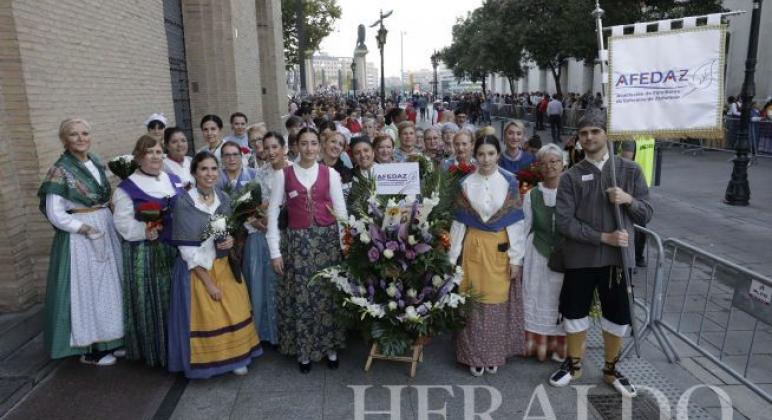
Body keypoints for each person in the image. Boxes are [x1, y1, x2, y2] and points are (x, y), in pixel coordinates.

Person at [548, 110, 653, 398]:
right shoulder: (571, 176)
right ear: (579, 140)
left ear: (607, 133)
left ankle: (611, 368)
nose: (589, 137)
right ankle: (574, 364)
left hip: (617, 261)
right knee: (573, 312)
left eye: (595, 131)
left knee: (617, 316)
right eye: (584, 134)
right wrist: (603, 237)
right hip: (581, 258)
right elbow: (565, 222)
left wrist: (628, 200)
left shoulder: (629, 171)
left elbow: (647, 214)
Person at [167, 151, 262, 378]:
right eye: (203, 169)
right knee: (209, 314)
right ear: (194, 173)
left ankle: (237, 357)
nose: (209, 174)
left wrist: (228, 241)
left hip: (222, 264)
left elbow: (221, 235)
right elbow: (187, 251)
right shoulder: (184, 203)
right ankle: (209, 361)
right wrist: (209, 284)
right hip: (198, 271)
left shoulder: (223, 198)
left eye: (213, 169)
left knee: (235, 309)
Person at [38, 118, 124, 366]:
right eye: (73, 134)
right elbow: (55, 212)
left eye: (85, 133)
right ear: (64, 139)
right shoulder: (60, 170)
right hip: (80, 238)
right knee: (88, 289)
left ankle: (113, 339)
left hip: (104, 227)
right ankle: (91, 349)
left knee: (110, 285)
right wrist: (83, 228)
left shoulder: (96, 161)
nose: (80, 138)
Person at [266, 127, 348, 373]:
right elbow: (272, 213)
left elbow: (341, 211)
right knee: (302, 298)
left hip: (327, 243)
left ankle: (330, 348)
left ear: (319, 146)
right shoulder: (284, 175)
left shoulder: (330, 173)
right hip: (297, 245)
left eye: (314, 143)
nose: (309, 148)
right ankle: (304, 352)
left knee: (326, 296)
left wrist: (345, 245)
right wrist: (275, 251)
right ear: (296, 146)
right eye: (304, 143)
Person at [449, 135, 526, 376]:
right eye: (481, 154)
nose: (486, 159)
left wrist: (516, 259)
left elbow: (516, 224)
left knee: (496, 303)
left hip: (499, 247)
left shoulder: (510, 182)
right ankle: (473, 355)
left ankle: (493, 354)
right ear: (475, 154)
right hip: (473, 245)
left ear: (498, 155)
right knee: (472, 301)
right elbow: (459, 224)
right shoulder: (465, 184)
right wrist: (452, 259)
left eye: (491, 154)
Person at [113, 135, 185, 367]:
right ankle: (159, 354)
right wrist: (145, 230)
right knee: (155, 304)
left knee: (177, 301)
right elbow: (123, 225)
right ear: (139, 157)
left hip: (174, 251)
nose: (155, 156)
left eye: (158, 152)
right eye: (149, 152)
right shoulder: (126, 188)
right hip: (146, 254)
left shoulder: (173, 179)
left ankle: (180, 350)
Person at [522, 144, 567, 362]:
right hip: (537, 254)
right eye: (544, 162)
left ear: (563, 164)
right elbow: (524, 228)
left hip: (563, 255)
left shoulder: (571, 192)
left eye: (554, 161)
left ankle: (559, 347)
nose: (549, 166)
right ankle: (536, 347)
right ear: (539, 167)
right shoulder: (532, 195)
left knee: (559, 299)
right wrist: (517, 261)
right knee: (537, 295)